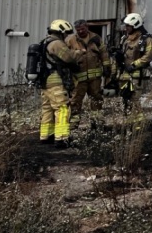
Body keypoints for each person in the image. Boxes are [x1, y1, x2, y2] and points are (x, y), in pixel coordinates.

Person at [40, 19, 84, 148]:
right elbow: (69, 57)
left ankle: (46, 136)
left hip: (45, 82)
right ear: (61, 32)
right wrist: (79, 53)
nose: (66, 37)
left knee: (47, 109)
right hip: (56, 81)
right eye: (65, 34)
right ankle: (61, 138)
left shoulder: (44, 42)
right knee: (62, 108)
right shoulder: (56, 43)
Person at [65, 19, 111, 120]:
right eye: (78, 30)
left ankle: (96, 123)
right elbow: (66, 56)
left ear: (87, 27)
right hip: (78, 78)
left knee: (96, 99)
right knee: (75, 101)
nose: (80, 31)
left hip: (95, 78)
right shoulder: (70, 40)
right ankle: (73, 125)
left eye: (82, 29)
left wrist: (107, 67)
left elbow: (104, 53)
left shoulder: (96, 38)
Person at [114, 13, 152, 116]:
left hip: (138, 75)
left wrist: (133, 65)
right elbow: (124, 54)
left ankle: (137, 125)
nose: (126, 28)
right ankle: (127, 122)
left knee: (134, 99)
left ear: (136, 25)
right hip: (124, 74)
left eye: (128, 26)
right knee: (124, 98)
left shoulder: (147, 40)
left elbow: (148, 56)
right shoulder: (125, 38)